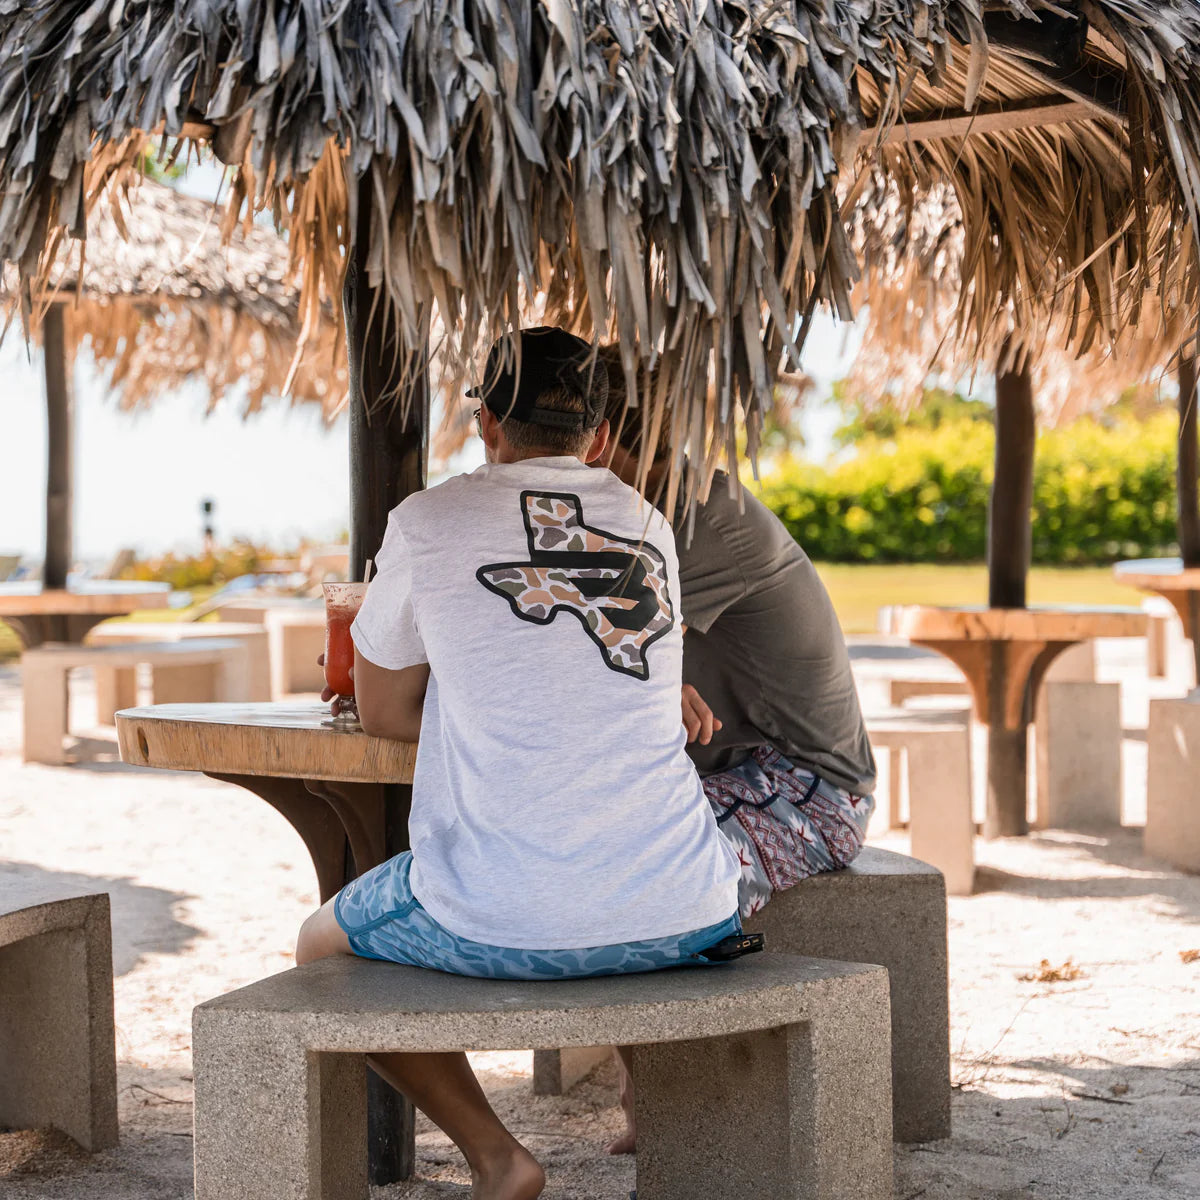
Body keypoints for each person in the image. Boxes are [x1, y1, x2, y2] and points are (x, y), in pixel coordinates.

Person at [295, 327, 741, 1200]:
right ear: (601, 437)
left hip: (503, 923)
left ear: (487, 423)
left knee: (319, 950)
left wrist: (487, 713)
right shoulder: (648, 524)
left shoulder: (426, 521)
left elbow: (384, 713)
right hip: (690, 909)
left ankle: (497, 1157)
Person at [596, 347, 877, 1153]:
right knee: (593, 832)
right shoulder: (638, 511)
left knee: (652, 867)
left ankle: (680, 1103)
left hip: (812, 786)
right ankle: (644, 1083)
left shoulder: (693, 518)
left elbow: (606, 664)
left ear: (605, 437)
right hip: (729, 766)